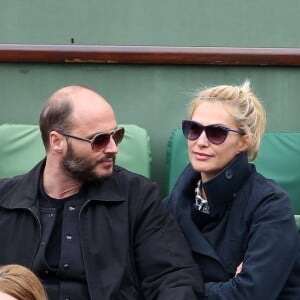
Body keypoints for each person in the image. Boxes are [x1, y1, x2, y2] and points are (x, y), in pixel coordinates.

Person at [0, 85, 203, 300]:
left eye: (117, 135)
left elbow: (174, 278)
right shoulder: (5, 201)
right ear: (57, 141)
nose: (113, 147)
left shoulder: (137, 197)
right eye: (99, 140)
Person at [164, 80, 300, 299]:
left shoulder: (271, 206)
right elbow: (150, 278)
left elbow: (251, 294)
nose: (201, 141)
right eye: (194, 129)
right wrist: (229, 285)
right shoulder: (173, 203)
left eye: (216, 133)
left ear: (243, 142)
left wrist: (182, 290)